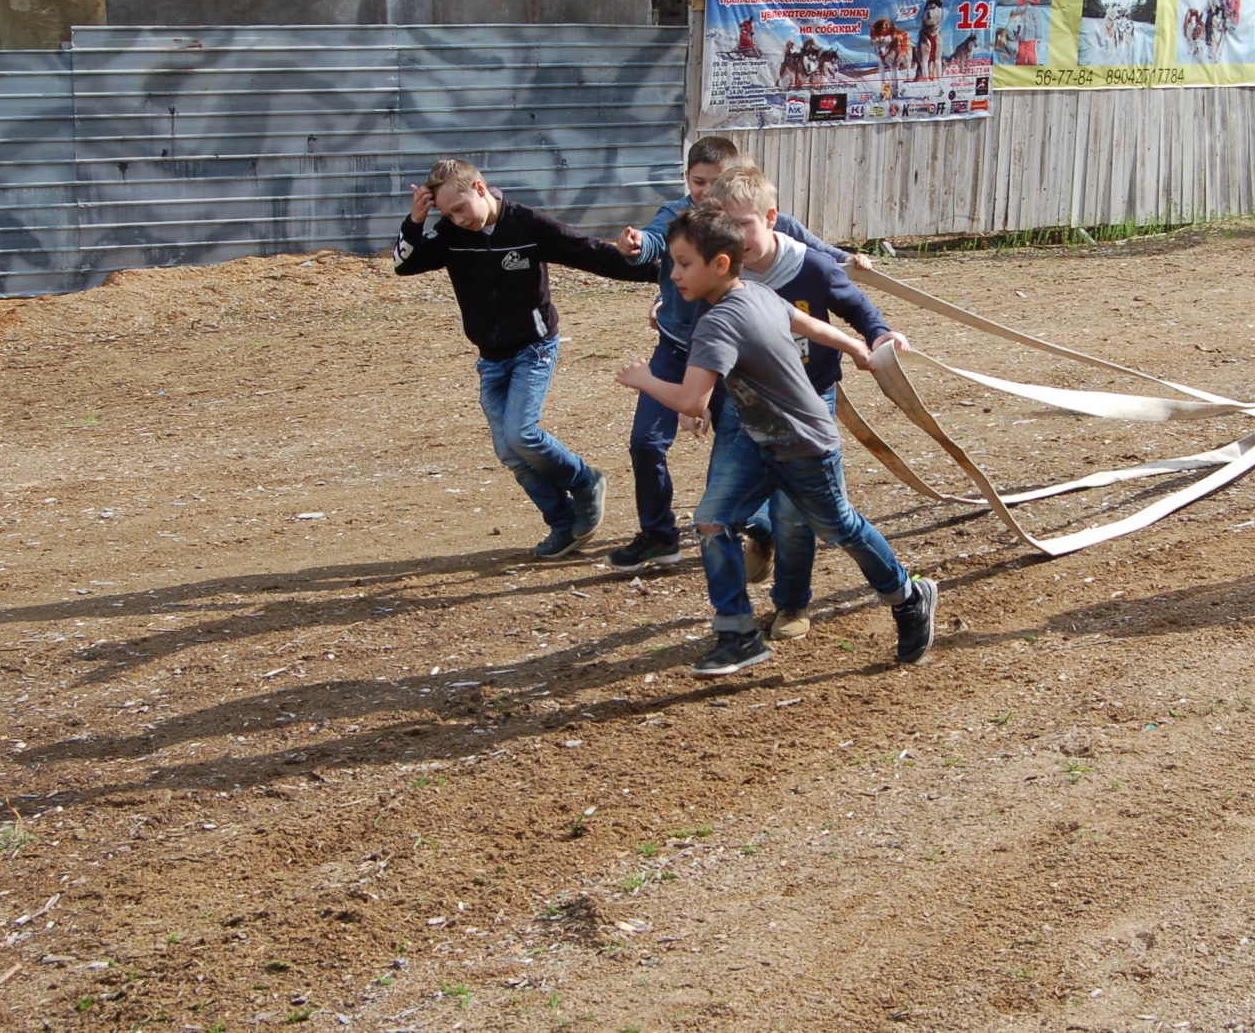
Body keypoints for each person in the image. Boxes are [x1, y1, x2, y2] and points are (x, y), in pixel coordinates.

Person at [616, 204, 937, 676]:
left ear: (720, 264)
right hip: (756, 437)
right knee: (711, 520)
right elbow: (805, 324)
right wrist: (853, 346)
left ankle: (909, 596)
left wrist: (643, 378)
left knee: (839, 527)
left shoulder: (718, 321)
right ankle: (738, 635)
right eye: (673, 263)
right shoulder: (754, 292)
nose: (675, 274)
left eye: (684, 264)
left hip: (803, 442)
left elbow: (688, 400)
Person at [607, 137, 870, 573]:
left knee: (764, 487)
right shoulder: (680, 219)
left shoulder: (751, 240)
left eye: (716, 185)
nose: (706, 194)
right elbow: (655, 243)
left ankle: (765, 542)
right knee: (650, 445)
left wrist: (848, 263)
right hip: (683, 346)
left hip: (741, 365)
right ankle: (661, 537)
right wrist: (638, 249)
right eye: (698, 183)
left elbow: (810, 257)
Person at [394, 159, 658, 559]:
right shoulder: (450, 234)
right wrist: (415, 222)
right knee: (509, 452)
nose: (456, 219)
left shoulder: (527, 225)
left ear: (480, 188)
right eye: (446, 213)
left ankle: (585, 481)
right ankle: (563, 523)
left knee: (522, 435)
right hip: (490, 357)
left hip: (533, 350)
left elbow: (591, 254)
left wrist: (664, 273)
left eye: (460, 207)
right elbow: (403, 264)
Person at [709, 162, 909, 640]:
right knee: (718, 511)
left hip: (806, 406)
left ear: (771, 217)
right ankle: (735, 620)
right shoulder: (721, 275)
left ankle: (792, 604)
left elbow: (858, 306)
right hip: (744, 404)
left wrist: (879, 336)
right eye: (725, 228)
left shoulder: (810, 267)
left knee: (797, 517)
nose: (735, 238)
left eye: (744, 225)